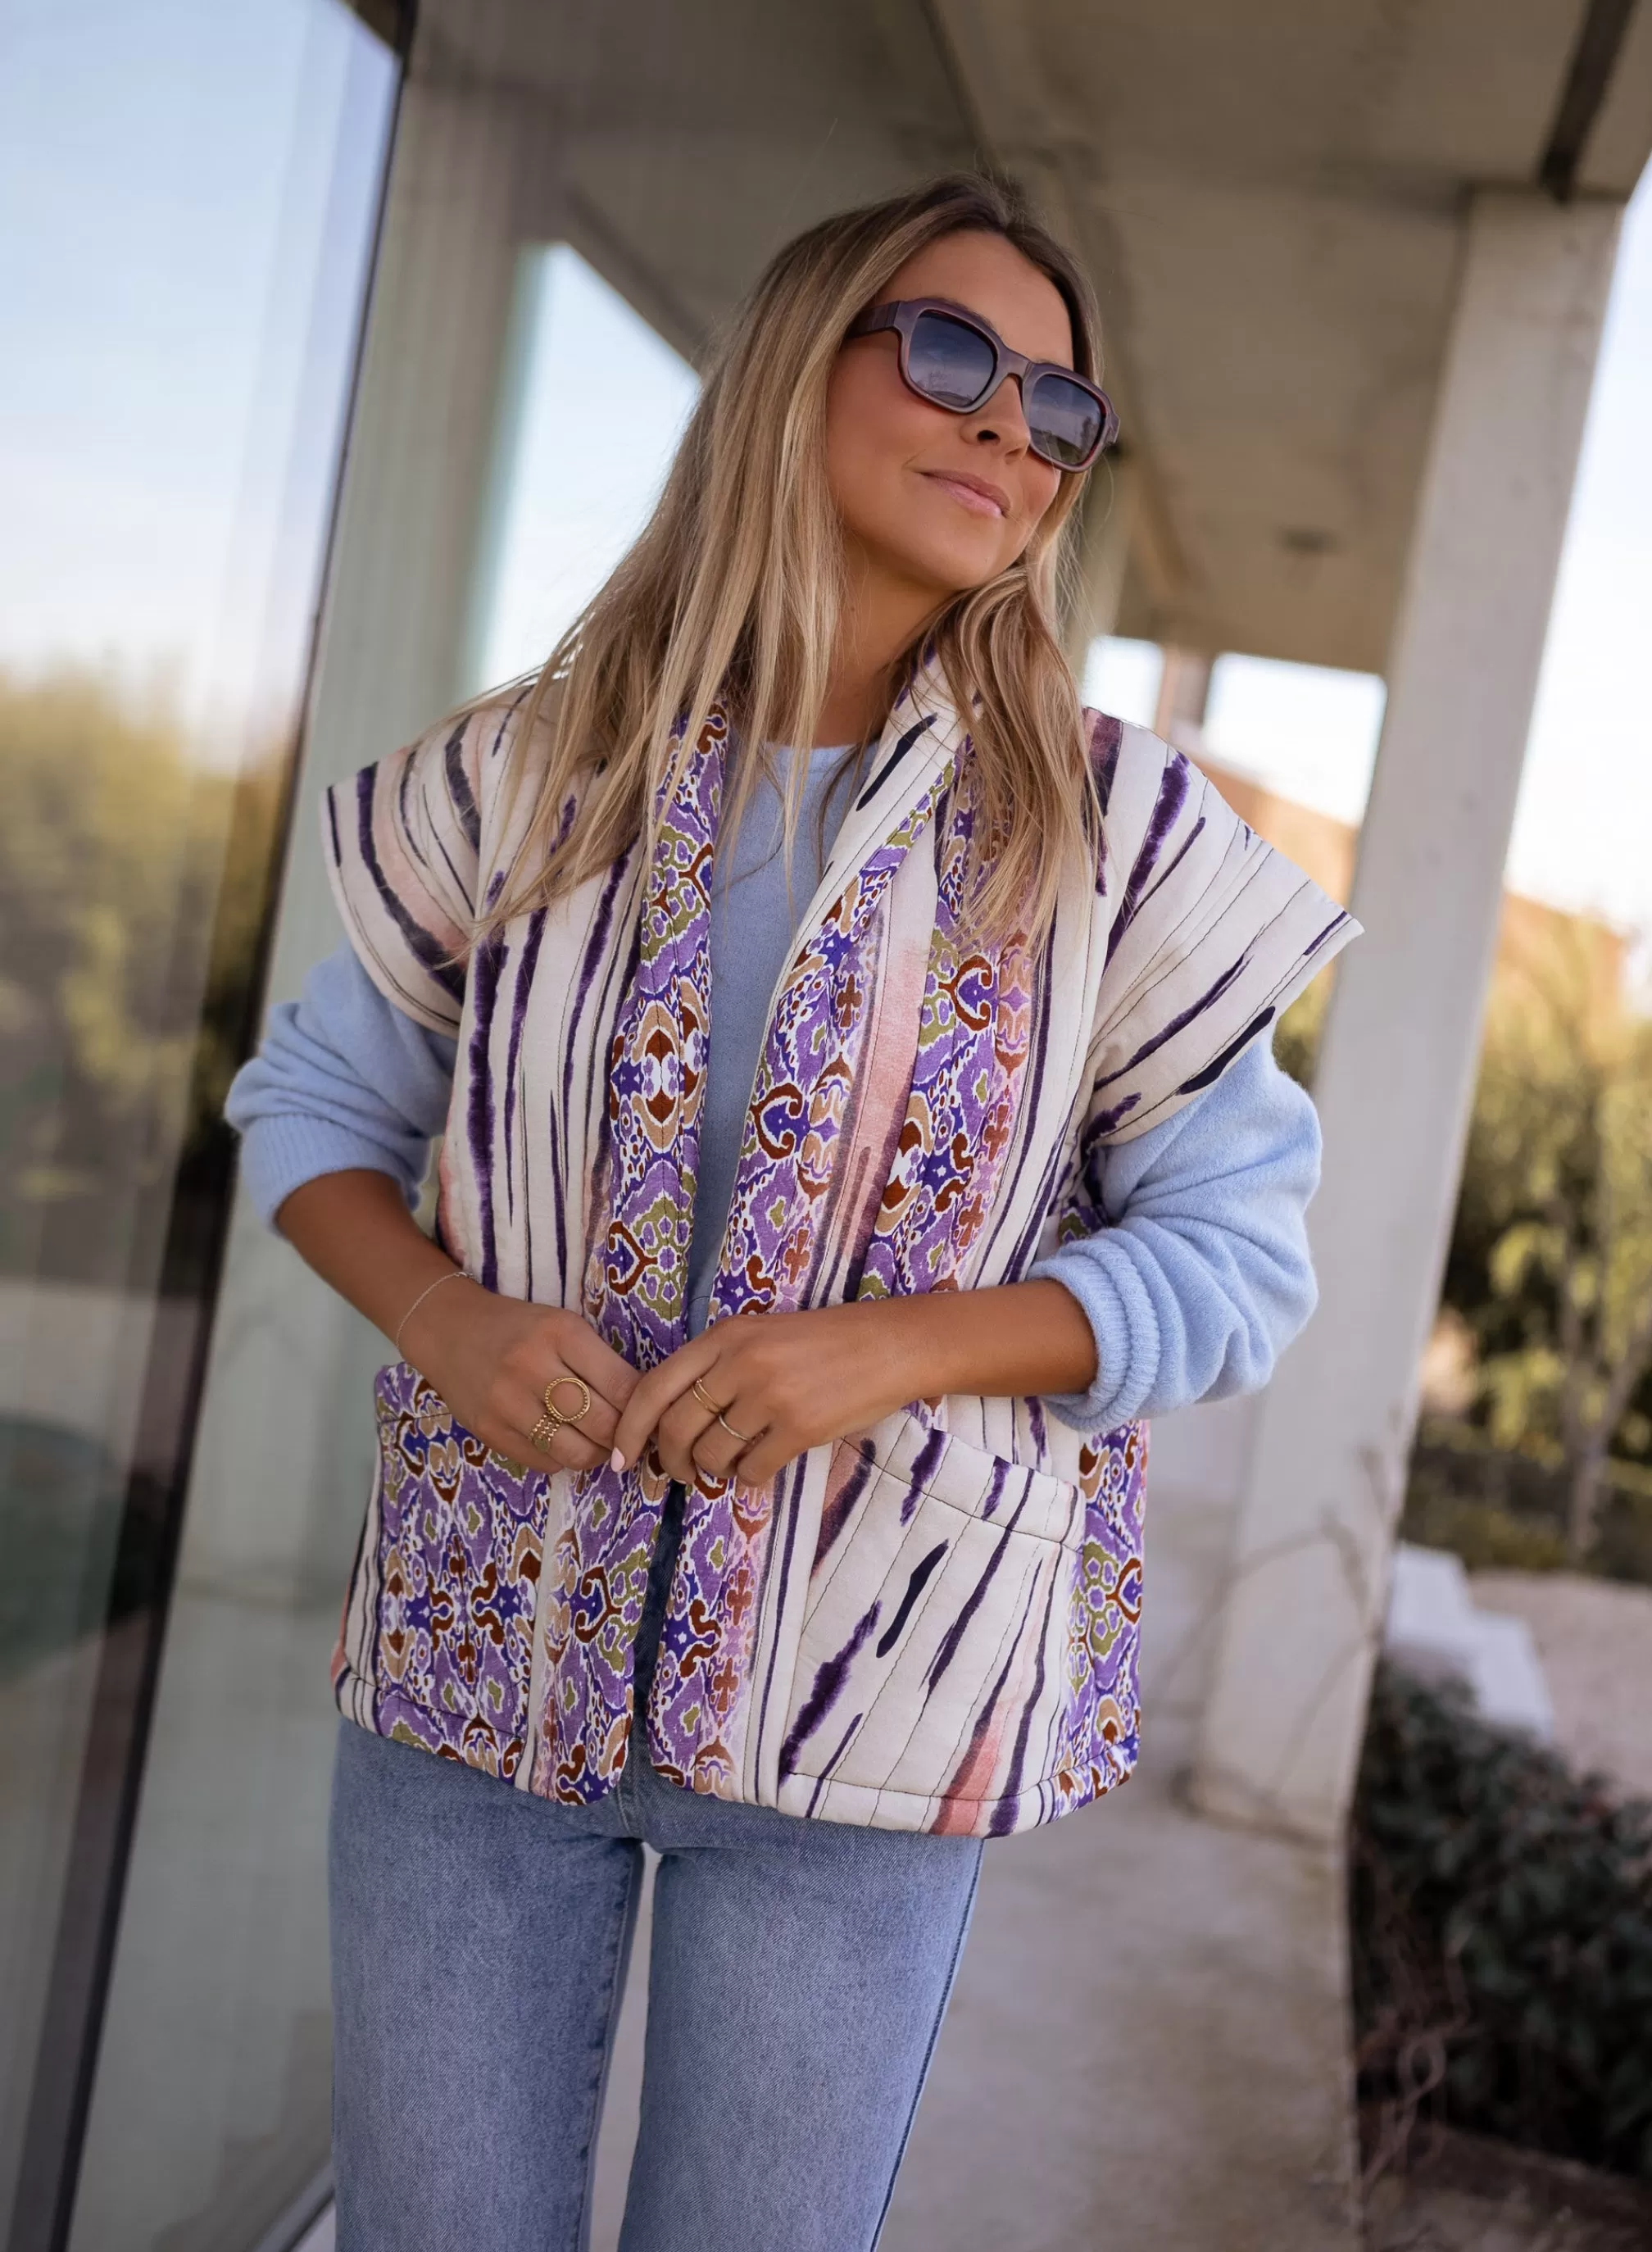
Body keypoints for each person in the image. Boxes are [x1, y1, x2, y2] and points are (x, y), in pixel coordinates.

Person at [228, 173, 1356, 2252]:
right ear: (793, 362)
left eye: (1062, 406)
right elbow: (308, 1108)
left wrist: (891, 1352)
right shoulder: (527, 776)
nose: (1011, 423)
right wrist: (448, 1320)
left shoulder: (1117, 837)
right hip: (482, 1664)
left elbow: (1236, 1263)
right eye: (952, 351)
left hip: (878, 1709)